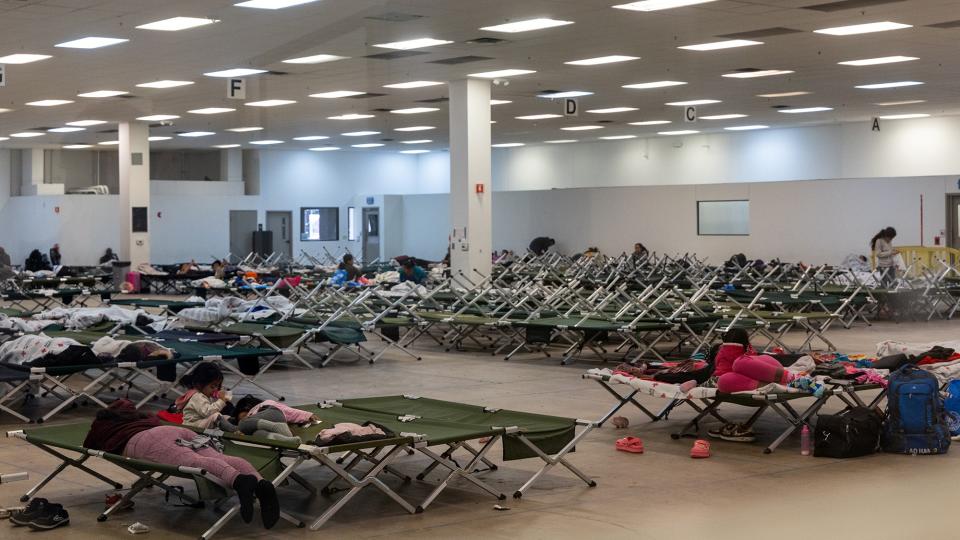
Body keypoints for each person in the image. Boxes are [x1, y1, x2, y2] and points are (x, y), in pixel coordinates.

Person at [82, 399, 279, 529]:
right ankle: (261, 484)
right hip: (174, 431)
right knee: (220, 458)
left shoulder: (102, 423)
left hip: (144, 441)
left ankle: (239, 481)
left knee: (194, 462)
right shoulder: (142, 416)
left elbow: (88, 444)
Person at [707, 329, 797, 442]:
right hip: (742, 378)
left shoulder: (723, 351)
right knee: (738, 368)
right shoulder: (741, 352)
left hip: (748, 377)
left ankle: (785, 379)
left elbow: (750, 363)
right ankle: (786, 378)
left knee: (750, 362)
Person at [175, 363, 237, 432]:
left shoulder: (205, 395)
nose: (215, 389)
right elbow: (208, 412)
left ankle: (237, 424)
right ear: (200, 384)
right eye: (212, 387)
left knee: (224, 417)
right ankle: (234, 431)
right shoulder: (197, 396)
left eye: (218, 386)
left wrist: (220, 398)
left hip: (201, 422)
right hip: (192, 426)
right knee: (216, 416)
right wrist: (221, 401)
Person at [233, 396, 319, 444]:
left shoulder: (265, 404)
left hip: (274, 415)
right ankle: (287, 440)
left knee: (242, 423)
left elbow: (289, 411)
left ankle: (276, 427)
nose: (246, 417)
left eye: (245, 415)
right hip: (275, 427)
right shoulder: (251, 425)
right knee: (258, 434)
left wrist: (307, 415)